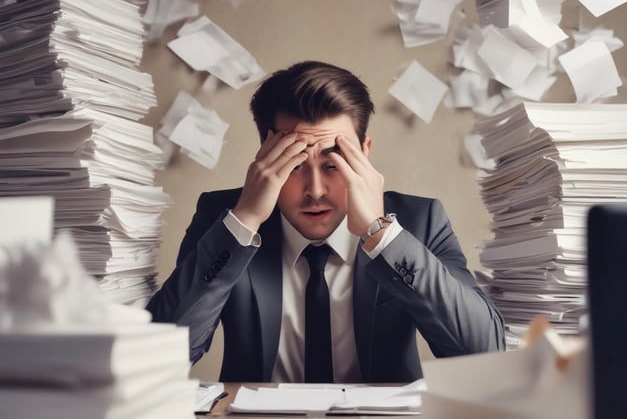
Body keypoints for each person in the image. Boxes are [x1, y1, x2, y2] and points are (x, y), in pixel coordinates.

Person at [147, 60, 505, 383]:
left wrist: (382, 235)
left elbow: (485, 355)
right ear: (264, 159)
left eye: (333, 164)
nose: (315, 190)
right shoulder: (223, 219)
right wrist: (246, 220)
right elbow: (159, 361)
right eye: (295, 163)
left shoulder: (419, 221)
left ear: (364, 154)